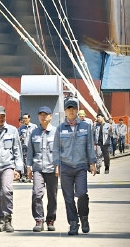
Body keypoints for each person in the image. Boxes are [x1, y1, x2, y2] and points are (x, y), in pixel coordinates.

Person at [52, 98, 96, 236]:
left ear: (77, 110)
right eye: (68, 108)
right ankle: (73, 223)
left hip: (81, 166)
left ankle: (84, 218)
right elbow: (56, 149)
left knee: (82, 194)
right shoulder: (60, 128)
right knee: (68, 197)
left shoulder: (85, 126)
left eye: (73, 108)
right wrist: (57, 165)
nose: (71, 111)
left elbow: (90, 145)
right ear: (65, 111)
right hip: (65, 167)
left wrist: (92, 163)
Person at [27, 106, 58, 232]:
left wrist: (58, 166)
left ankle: (50, 219)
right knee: (36, 194)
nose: (43, 117)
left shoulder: (56, 132)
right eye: (41, 114)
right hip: (38, 168)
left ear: (50, 116)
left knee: (52, 195)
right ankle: (39, 220)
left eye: (46, 114)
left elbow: (59, 151)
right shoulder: (34, 133)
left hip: (52, 168)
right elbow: (30, 151)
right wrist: (29, 167)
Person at [18, 113, 37, 182]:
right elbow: (18, 136)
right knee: (25, 161)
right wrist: (20, 138)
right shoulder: (21, 128)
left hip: (33, 147)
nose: (24, 120)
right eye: (23, 118)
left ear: (29, 118)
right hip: (25, 147)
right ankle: (26, 175)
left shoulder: (34, 127)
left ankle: (34, 175)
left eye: (26, 118)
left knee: (33, 161)